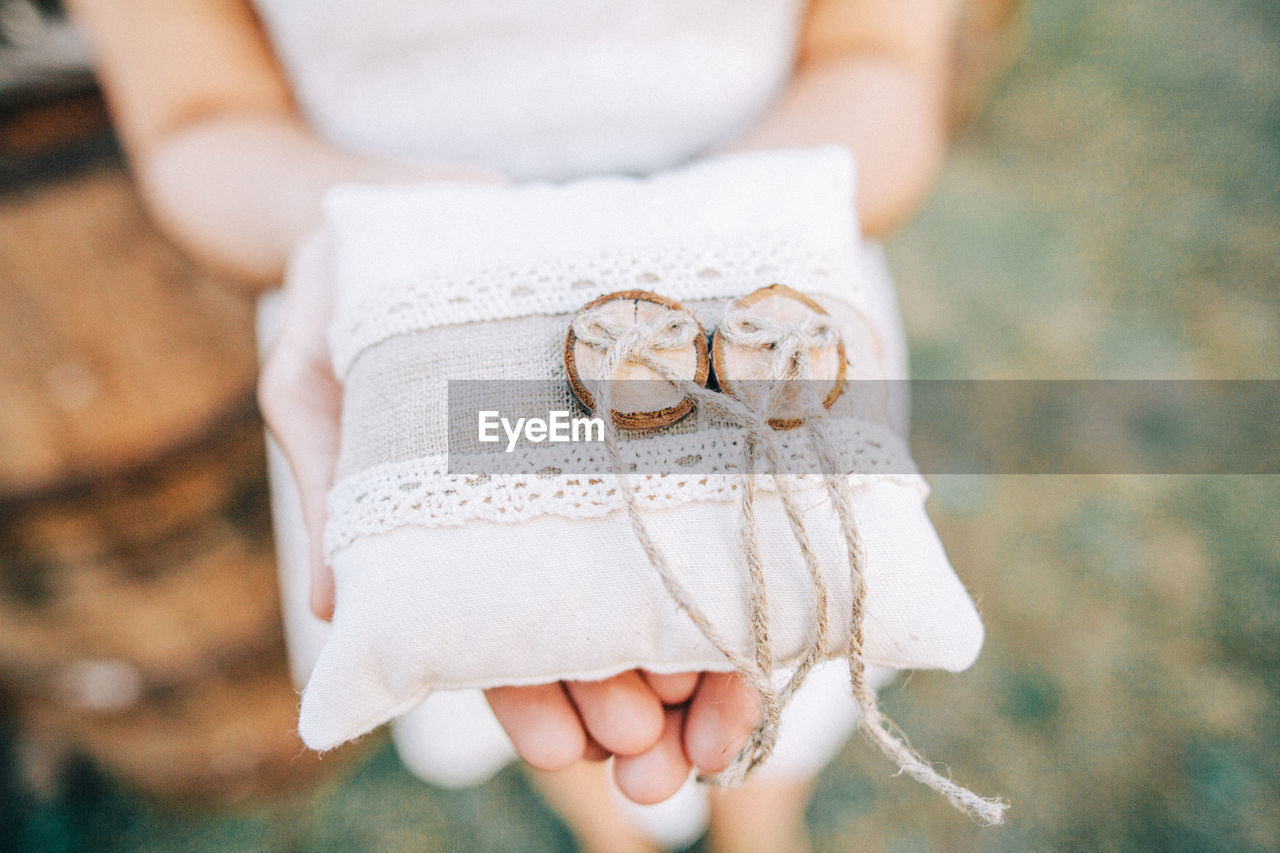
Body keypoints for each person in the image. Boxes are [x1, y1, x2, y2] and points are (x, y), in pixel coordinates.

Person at [69, 1, 966, 849]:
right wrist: (345, 235)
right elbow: (196, 116)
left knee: (783, 626)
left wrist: (740, 233)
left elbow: (877, 54)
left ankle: (762, 815)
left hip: (764, 305)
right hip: (415, 324)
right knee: (504, 629)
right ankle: (605, 823)